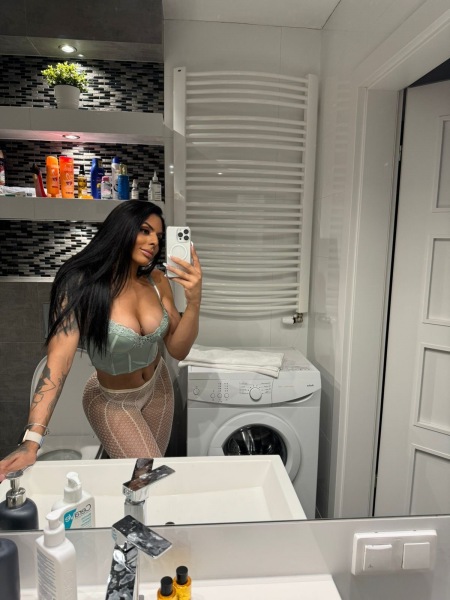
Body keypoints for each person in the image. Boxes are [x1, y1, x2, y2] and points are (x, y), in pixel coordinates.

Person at [0, 201, 202, 481]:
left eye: (158, 236)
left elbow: (178, 349)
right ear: (122, 229)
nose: (154, 241)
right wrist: (31, 441)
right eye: (145, 231)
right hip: (112, 401)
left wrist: (194, 302)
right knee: (148, 479)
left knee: (142, 482)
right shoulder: (80, 285)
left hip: (159, 388)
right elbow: (58, 362)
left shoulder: (157, 281)